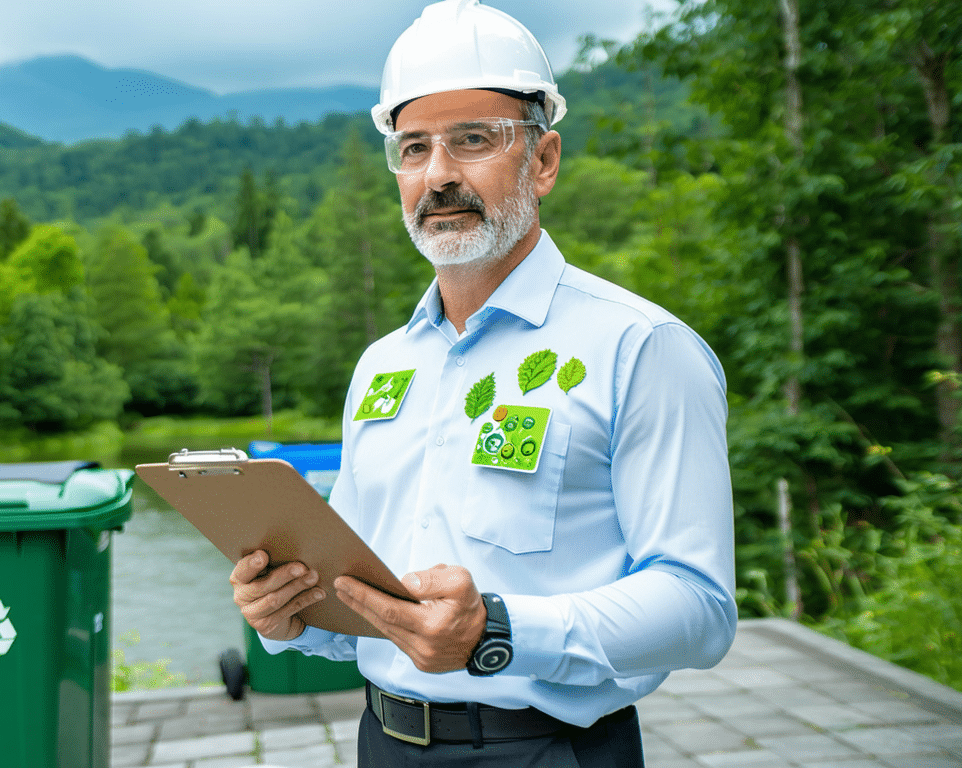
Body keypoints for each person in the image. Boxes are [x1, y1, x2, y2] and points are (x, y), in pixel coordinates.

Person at [229, 1, 737, 765]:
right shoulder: (381, 368)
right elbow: (366, 597)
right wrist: (293, 613)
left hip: (549, 749)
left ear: (543, 160)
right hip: (383, 741)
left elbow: (700, 608)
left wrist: (498, 629)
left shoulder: (642, 348)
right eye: (414, 148)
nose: (439, 175)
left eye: (473, 141)